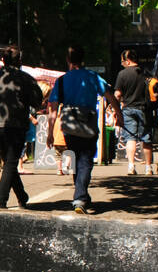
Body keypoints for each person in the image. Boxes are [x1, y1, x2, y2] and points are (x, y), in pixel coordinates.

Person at [49, 45, 117, 214]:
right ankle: (80, 197)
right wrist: (119, 116)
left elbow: (53, 109)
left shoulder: (62, 80)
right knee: (85, 161)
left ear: (68, 60)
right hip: (88, 124)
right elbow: (110, 96)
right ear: (83, 59)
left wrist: (50, 133)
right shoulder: (93, 77)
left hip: (69, 126)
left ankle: (82, 195)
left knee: (76, 158)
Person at [0, 45, 42, 210]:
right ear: (19, 61)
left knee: (9, 162)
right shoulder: (25, 78)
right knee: (11, 163)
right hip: (16, 125)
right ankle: (1, 200)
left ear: (2, 60)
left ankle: (22, 196)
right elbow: (37, 101)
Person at [114, 49, 153, 175]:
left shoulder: (122, 74)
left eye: (122, 61)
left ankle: (131, 166)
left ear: (127, 60)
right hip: (143, 109)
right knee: (146, 138)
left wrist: (116, 108)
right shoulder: (145, 73)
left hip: (128, 109)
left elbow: (117, 94)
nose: (122, 64)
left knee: (130, 138)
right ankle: (148, 168)